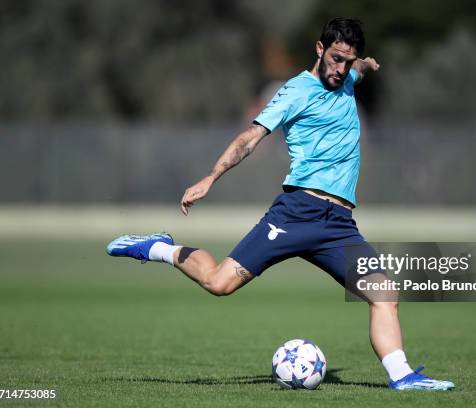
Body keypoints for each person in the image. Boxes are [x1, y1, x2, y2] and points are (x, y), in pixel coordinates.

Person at [106, 17, 454, 391]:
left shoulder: (349, 75)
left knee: (384, 294)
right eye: (336, 59)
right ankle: (158, 247)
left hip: (338, 225)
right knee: (220, 283)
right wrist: (211, 176)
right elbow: (250, 139)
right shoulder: (295, 92)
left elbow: (359, 71)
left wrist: (364, 65)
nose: (341, 69)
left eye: (348, 62)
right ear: (319, 50)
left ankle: (402, 377)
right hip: (296, 212)